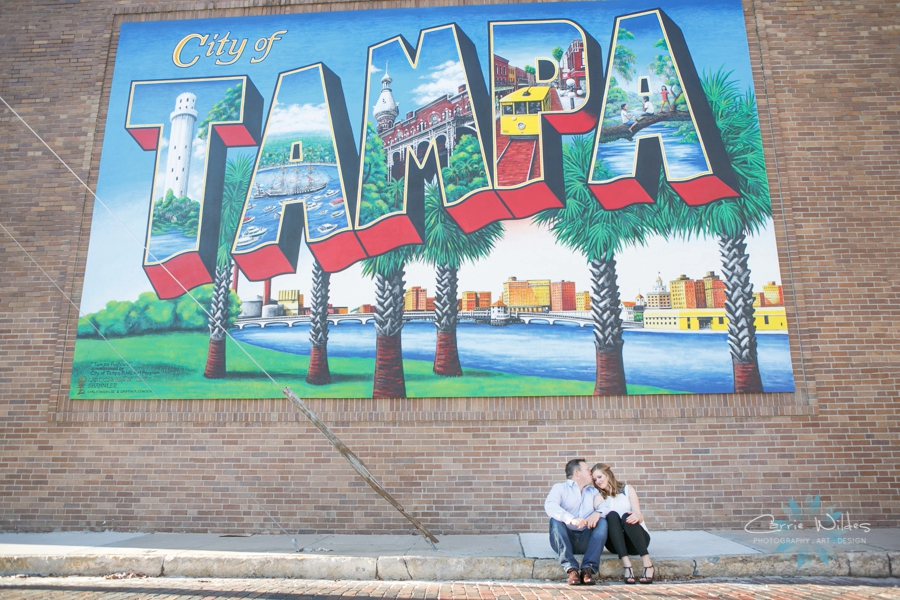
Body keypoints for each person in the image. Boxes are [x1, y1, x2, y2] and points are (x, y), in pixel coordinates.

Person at [544, 458, 608, 585]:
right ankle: (571, 569)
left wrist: (597, 513)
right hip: (565, 538)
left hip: (586, 539)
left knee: (602, 522)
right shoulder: (560, 488)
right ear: (577, 473)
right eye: (587, 469)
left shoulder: (593, 491)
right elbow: (550, 506)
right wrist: (571, 519)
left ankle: (587, 569)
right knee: (555, 521)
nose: (591, 472)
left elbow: (605, 507)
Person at [591, 463, 654, 584]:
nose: (597, 481)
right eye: (594, 480)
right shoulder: (598, 496)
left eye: (599, 477)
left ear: (607, 474)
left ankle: (648, 564)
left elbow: (639, 516)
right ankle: (627, 566)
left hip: (637, 540)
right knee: (612, 515)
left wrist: (636, 516)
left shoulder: (627, 490)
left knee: (626, 516)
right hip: (615, 544)